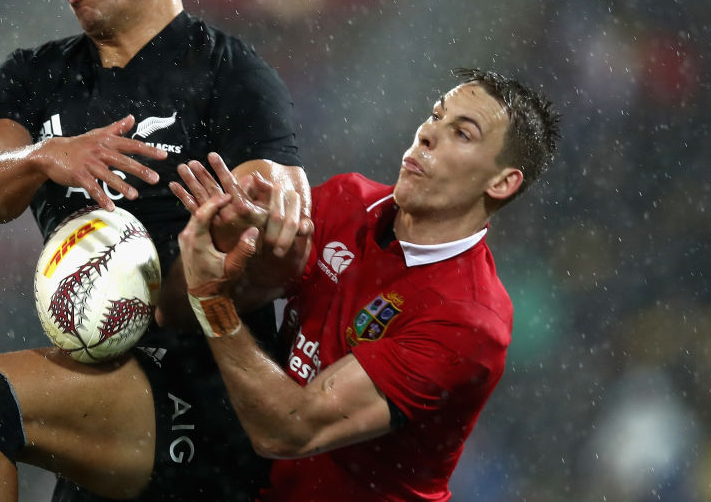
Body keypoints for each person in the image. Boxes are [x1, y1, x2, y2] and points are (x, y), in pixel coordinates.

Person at [0, 0, 309, 502]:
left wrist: (223, 243)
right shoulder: (35, 75)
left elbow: (274, 239)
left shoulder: (230, 72)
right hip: (97, 382)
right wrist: (45, 156)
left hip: (204, 388)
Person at [173, 68, 560, 501]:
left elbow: (289, 429)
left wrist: (211, 300)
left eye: (462, 134)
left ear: (502, 182)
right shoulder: (348, 200)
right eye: (436, 115)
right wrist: (238, 234)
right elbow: (251, 287)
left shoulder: (468, 319)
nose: (428, 134)